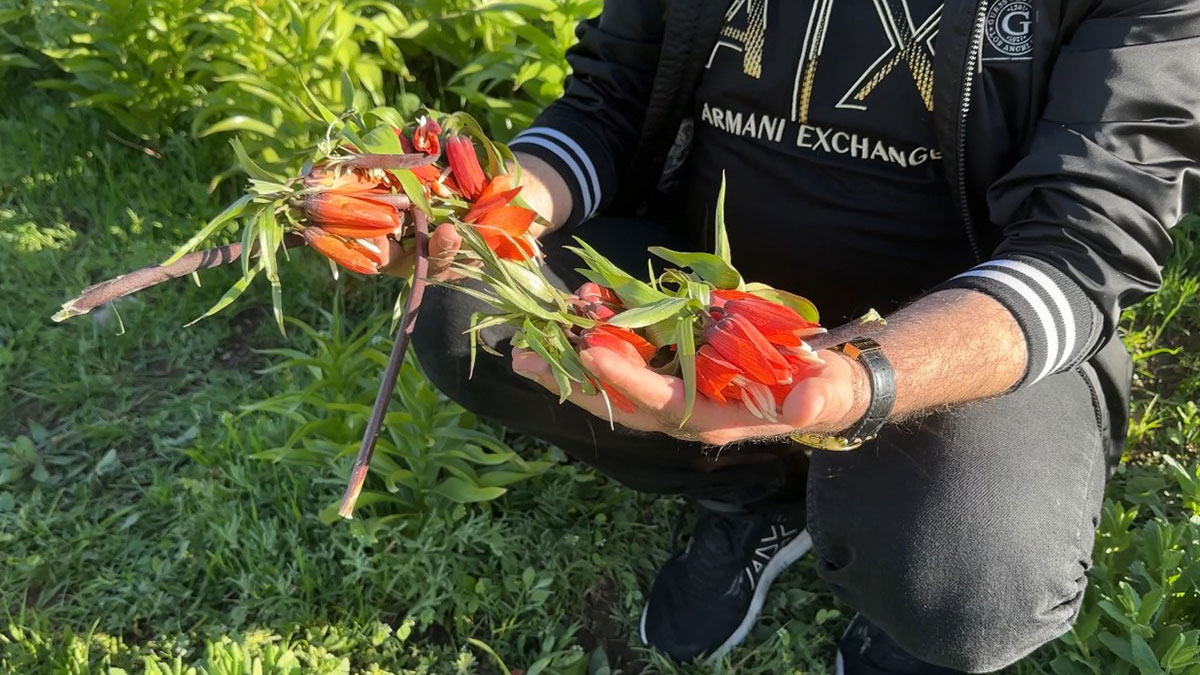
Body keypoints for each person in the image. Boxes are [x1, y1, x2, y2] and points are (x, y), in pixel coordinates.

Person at [388, 1, 1199, 671]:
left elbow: (1085, 241)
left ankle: (899, 615)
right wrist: (497, 206)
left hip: (963, 321)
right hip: (707, 295)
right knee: (472, 311)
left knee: (968, 577)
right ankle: (757, 492)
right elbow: (611, 103)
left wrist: (861, 379)